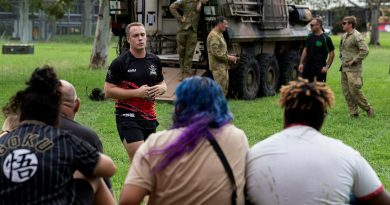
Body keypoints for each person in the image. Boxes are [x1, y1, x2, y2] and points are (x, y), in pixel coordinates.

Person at [246, 78, 390, 205]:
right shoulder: (347, 155)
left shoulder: (255, 154)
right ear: (322, 118)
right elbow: (382, 200)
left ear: (285, 114)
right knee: (355, 194)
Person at [119, 77, 249, 205]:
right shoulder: (237, 138)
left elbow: (128, 200)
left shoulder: (157, 143)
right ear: (221, 105)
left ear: (180, 106)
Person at [0, 66, 116, 205]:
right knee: (92, 177)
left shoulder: (4, 140)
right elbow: (109, 168)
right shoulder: (64, 140)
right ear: (55, 114)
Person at [104, 22, 167, 160]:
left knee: (149, 162)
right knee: (140, 159)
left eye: (143, 35)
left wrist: (163, 88)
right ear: (128, 39)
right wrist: (136, 93)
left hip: (149, 116)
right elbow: (108, 91)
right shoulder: (120, 63)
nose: (140, 38)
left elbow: (162, 82)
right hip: (127, 116)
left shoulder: (154, 60)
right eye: (136, 35)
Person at [59, 79, 113, 193]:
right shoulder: (85, 135)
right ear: (77, 105)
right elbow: (107, 171)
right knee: (94, 178)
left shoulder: (22, 132)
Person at [340, 16, 374, 117]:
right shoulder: (345, 35)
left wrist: (354, 60)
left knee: (354, 91)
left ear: (350, 24)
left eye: (344, 23)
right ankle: (353, 113)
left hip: (354, 69)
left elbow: (365, 50)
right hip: (344, 68)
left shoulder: (356, 35)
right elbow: (342, 50)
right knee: (346, 92)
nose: (342, 24)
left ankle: (368, 108)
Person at [169, 0, 208, 80]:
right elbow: (172, 7)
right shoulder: (184, 0)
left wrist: (200, 2)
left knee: (189, 53)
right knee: (181, 51)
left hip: (193, 30)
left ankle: (186, 72)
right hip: (182, 30)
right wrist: (181, 18)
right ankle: (183, 71)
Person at [207, 16, 238, 96]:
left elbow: (220, 51)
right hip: (218, 68)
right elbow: (216, 53)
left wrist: (228, 55)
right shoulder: (214, 36)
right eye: (225, 24)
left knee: (223, 91)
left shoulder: (219, 34)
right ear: (219, 24)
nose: (226, 26)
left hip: (223, 67)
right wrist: (229, 57)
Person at [298, 17, 335, 82]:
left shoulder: (326, 38)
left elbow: (332, 54)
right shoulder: (309, 36)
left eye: (312, 25)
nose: (310, 27)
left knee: (318, 89)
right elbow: (305, 49)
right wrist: (301, 63)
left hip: (319, 68)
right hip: (307, 67)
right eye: (310, 25)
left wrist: (327, 67)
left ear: (318, 25)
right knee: (306, 88)